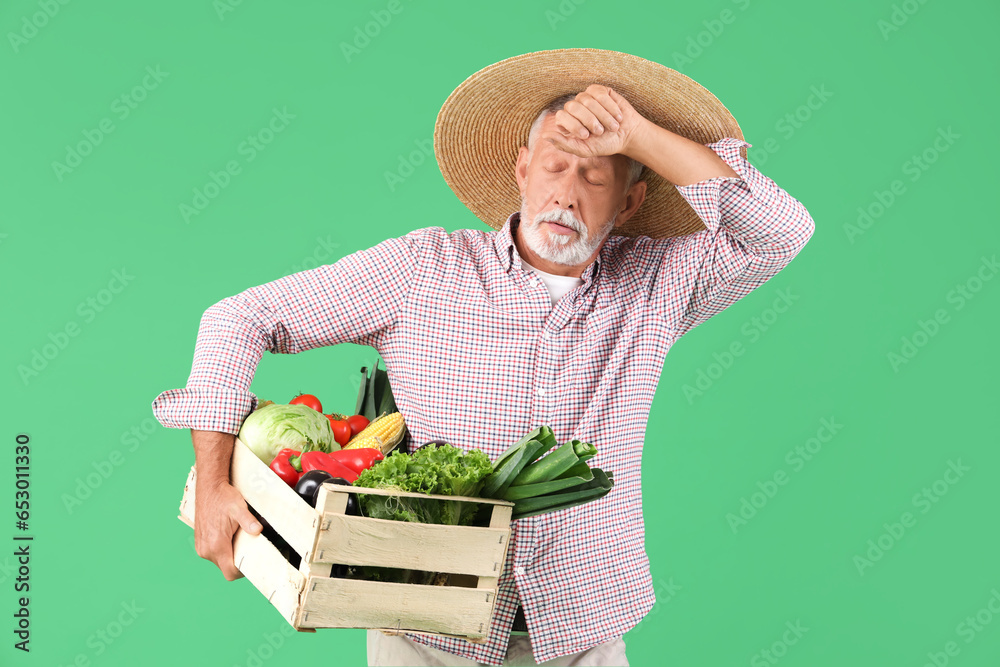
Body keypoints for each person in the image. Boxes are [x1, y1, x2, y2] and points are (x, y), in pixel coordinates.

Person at [152, 48, 815, 667]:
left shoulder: (656, 283)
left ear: (630, 200)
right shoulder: (424, 269)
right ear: (522, 169)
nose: (568, 190)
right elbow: (239, 317)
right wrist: (212, 482)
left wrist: (636, 135)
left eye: (596, 174)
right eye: (555, 163)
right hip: (425, 624)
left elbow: (782, 230)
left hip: (581, 632)